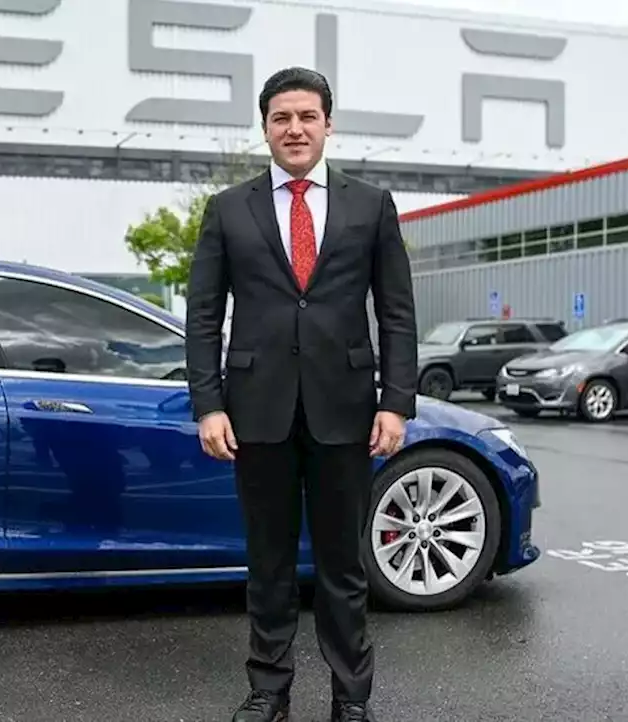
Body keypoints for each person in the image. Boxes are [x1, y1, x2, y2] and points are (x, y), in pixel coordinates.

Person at [184, 67, 419, 722]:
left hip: (346, 412)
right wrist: (208, 404)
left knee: (345, 569)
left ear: (327, 125)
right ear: (265, 128)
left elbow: (396, 312)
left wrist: (396, 401)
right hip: (256, 412)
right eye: (281, 117)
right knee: (269, 566)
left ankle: (352, 698)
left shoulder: (371, 204)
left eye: (307, 116)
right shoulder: (229, 208)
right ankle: (268, 692)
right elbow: (203, 315)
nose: (295, 128)